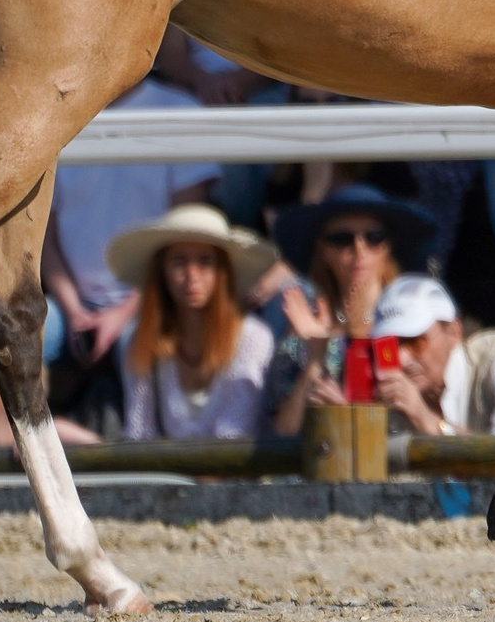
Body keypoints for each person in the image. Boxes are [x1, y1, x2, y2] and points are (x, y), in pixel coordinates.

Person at [39, 74, 221, 436]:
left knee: (138, 344)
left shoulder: (180, 112)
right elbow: (43, 237)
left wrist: (123, 313)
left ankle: (136, 458)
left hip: (156, 300)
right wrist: (75, 309)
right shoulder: (52, 113)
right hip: (68, 304)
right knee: (21, 334)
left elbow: (187, 240)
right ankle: (16, 442)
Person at [262, 184, 437, 433]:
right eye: (341, 239)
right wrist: (314, 358)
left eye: (373, 237)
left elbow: (441, 413)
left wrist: (345, 414)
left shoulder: (419, 328)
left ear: (388, 247)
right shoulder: (303, 337)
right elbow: (284, 433)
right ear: (322, 250)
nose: (359, 249)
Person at [103, 204, 277, 441]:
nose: (192, 276)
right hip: (164, 476)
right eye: (179, 262)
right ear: (161, 272)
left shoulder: (252, 337)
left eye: (205, 262)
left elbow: (234, 437)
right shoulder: (139, 341)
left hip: (237, 477)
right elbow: (139, 435)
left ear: (222, 272)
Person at [371, 273, 495, 436]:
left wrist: (427, 421)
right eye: (387, 348)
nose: (402, 359)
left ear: (454, 332)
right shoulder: (386, 394)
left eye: (415, 342)